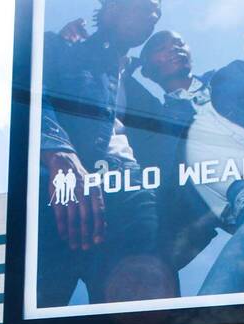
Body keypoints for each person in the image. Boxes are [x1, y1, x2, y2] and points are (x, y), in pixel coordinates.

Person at [37, 0, 176, 308]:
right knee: (38, 316)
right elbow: (31, 99)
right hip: (63, 187)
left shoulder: (139, 91)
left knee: (139, 319)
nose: (152, 17)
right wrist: (58, 151)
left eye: (157, 14)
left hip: (130, 189)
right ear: (113, 6)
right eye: (145, 7)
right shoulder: (61, 47)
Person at [135, 30, 244, 296]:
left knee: (213, 309)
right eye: (161, 47)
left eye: (179, 43)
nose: (175, 48)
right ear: (147, 70)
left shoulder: (232, 75)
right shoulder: (160, 129)